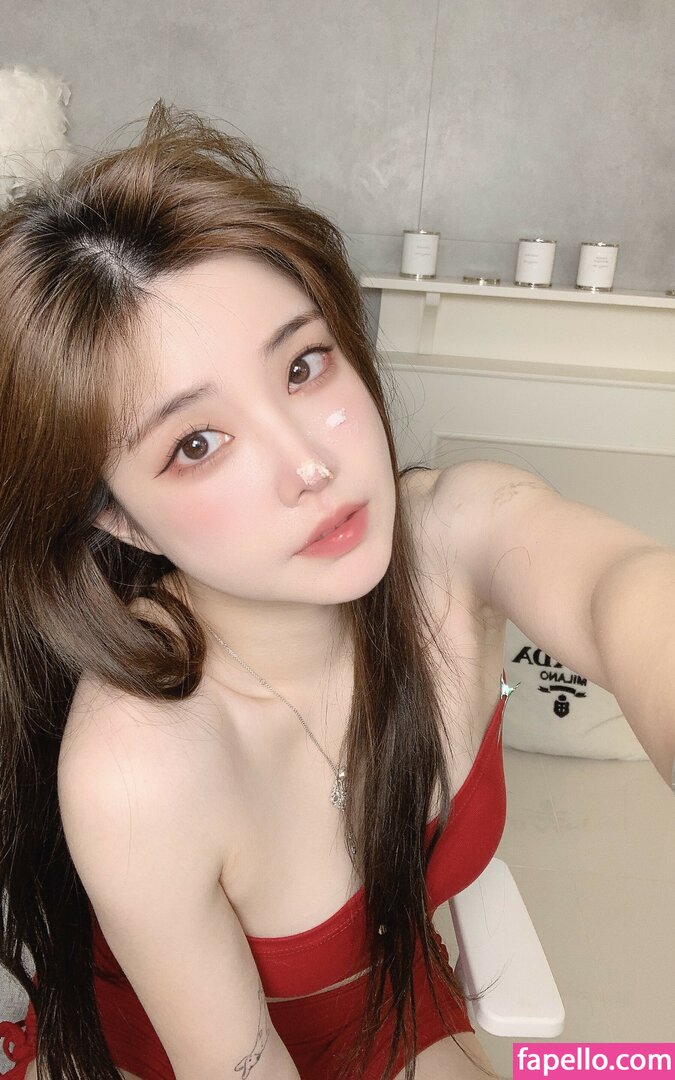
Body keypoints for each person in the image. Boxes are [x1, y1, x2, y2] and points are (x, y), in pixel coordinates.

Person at [0, 101, 672, 1080]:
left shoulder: (452, 538)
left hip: (402, 986)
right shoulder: (140, 764)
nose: (308, 464)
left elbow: (626, 594)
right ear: (121, 519)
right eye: (198, 443)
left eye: (303, 366)